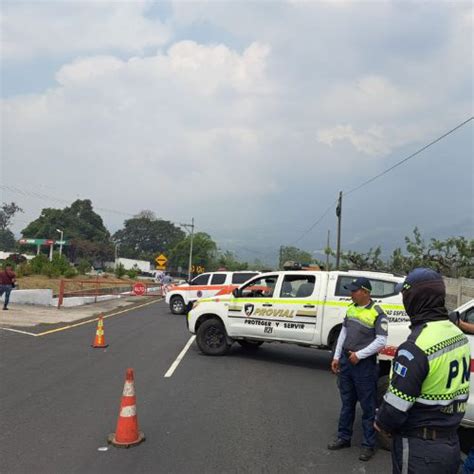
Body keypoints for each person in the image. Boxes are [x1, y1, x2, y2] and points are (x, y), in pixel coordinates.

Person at [375, 268, 470, 474]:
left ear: (413, 298)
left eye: (404, 295)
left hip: (420, 447)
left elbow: (395, 407)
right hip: (451, 443)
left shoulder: (416, 346)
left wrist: (381, 422)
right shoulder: (457, 334)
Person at [328, 276, 388, 462]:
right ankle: (344, 437)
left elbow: (381, 340)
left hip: (364, 366)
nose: (351, 293)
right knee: (347, 403)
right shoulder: (351, 308)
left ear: (365, 292)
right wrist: (337, 356)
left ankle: (368, 445)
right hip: (347, 362)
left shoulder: (378, 312)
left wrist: (359, 355)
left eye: (354, 290)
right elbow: (343, 334)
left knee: (368, 407)